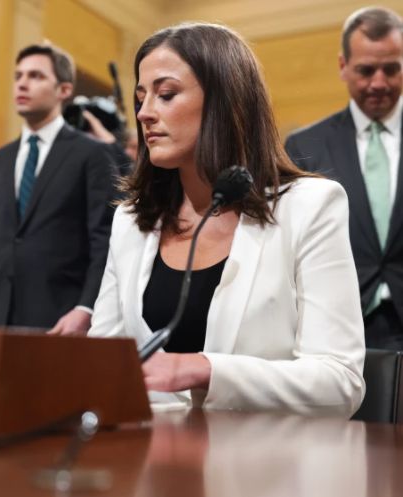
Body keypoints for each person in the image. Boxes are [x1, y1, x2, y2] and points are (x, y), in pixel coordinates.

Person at [88, 22, 365, 417]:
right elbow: (102, 362)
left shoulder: (311, 207)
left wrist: (203, 369)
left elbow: (340, 382)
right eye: (141, 97)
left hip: (263, 467)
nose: (145, 113)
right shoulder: (131, 221)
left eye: (165, 94)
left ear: (225, 101)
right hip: (143, 462)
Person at [0, 43, 116, 335]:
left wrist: (87, 308)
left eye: (36, 76)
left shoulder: (91, 155)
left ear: (64, 90)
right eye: (18, 76)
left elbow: (103, 239)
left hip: (59, 317)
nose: (22, 83)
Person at [285, 7, 403, 350]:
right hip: (336, 329)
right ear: (343, 67)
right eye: (366, 70)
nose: (378, 82)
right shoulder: (304, 146)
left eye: (391, 69)